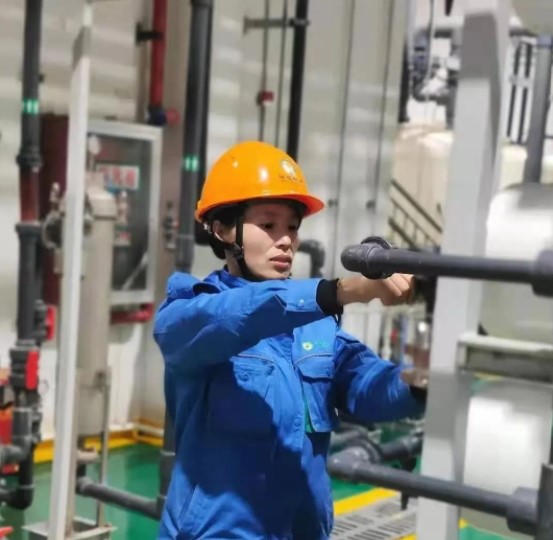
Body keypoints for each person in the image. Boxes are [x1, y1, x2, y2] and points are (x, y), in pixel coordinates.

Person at [153, 140, 427, 540]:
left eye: (293, 227)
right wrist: (346, 290)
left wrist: (417, 382)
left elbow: (366, 384)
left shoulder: (316, 327)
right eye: (268, 226)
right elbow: (243, 313)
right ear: (222, 229)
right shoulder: (190, 313)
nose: (285, 240)